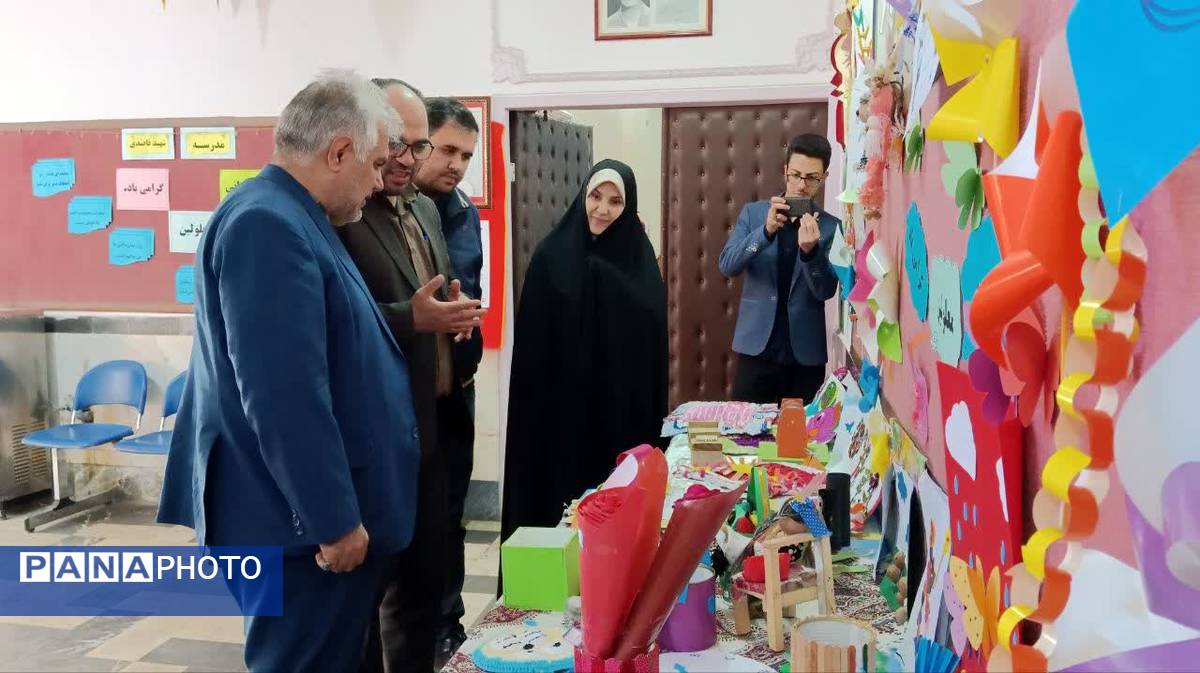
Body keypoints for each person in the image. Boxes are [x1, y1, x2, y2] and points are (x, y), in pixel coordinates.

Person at [157, 70, 421, 672]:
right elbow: (283, 396)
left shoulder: (295, 215)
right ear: (340, 152)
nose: (378, 182)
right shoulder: (267, 224)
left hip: (305, 526)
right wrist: (333, 520)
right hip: (297, 533)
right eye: (376, 165)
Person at [338, 79, 485, 673]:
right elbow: (336, 319)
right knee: (371, 595)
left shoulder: (425, 208)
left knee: (425, 586)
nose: (407, 158)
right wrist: (412, 318)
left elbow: (430, 296)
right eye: (397, 143)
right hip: (380, 434)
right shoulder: (346, 214)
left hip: (434, 423)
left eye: (418, 146)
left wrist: (453, 318)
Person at [500, 160, 669, 552]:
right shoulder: (550, 257)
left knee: (612, 531)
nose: (602, 209)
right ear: (582, 197)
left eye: (615, 201)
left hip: (617, 417)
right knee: (554, 516)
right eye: (595, 196)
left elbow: (649, 351)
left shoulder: (639, 263)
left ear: (628, 207)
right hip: (558, 422)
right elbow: (532, 351)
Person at [412, 96, 485, 662]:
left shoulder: (461, 211)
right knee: (413, 518)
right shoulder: (387, 211)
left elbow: (467, 288)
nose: (457, 165)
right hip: (409, 394)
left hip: (457, 386)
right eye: (447, 151)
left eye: (466, 156)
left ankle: (447, 622)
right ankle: (413, 626)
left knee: (451, 514)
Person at [718, 133, 841, 405]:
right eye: (795, 175)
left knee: (801, 431)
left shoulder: (831, 227)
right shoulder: (754, 214)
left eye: (811, 178)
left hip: (804, 358)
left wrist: (810, 253)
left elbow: (826, 290)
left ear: (824, 177)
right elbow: (727, 265)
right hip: (756, 350)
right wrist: (765, 232)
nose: (801, 185)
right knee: (746, 427)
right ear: (785, 170)